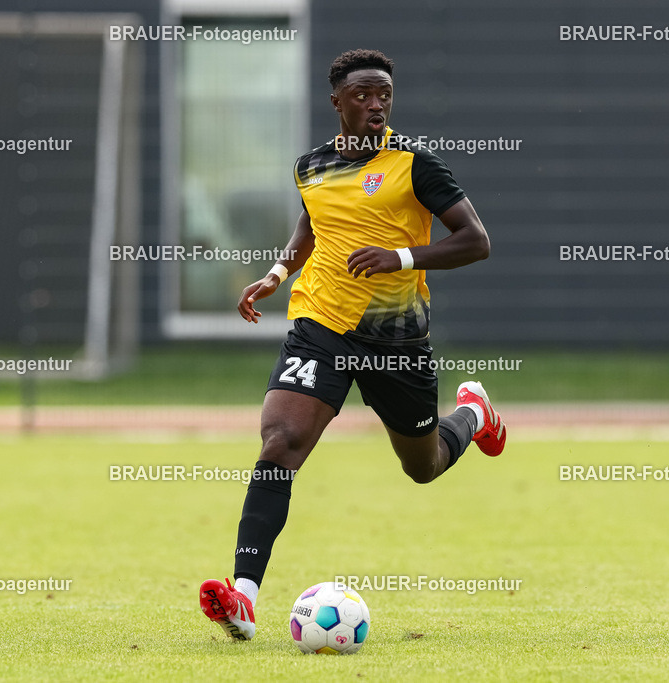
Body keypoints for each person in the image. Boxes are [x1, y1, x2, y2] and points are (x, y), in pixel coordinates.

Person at [199, 48, 507, 641]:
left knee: (423, 466)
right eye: (363, 95)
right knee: (280, 442)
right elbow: (312, 226)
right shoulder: (310, 166)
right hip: (320, 326)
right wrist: (275, 273)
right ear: (337, 100)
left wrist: (401, 256)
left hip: (396, 337)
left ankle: (473, 413)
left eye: (384, 96)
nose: (375, 105)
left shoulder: (414, 165)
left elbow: (476, 241)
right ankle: (242, 595)